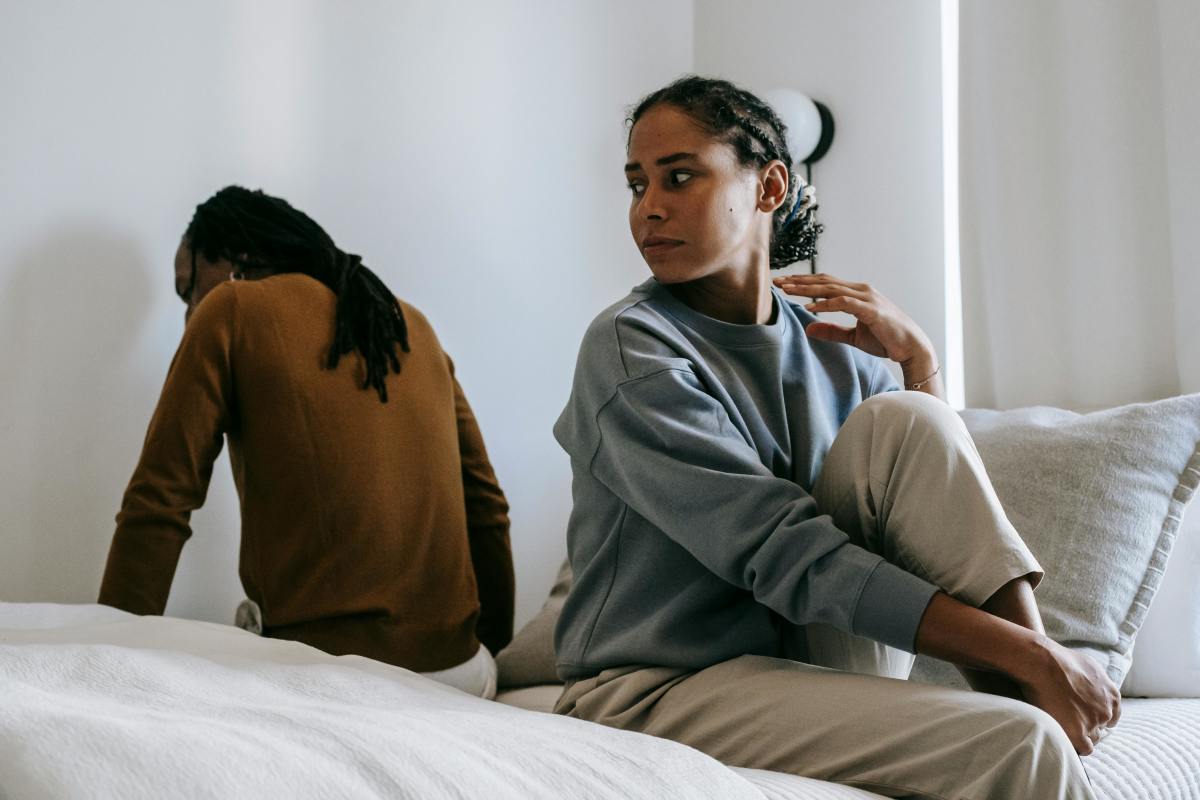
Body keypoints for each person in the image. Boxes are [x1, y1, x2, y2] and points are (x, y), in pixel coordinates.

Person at [550, 76, 1119, 798]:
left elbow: (931, 521)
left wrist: (921, 367)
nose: (649, 208)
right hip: (657, 686)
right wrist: (1037, 655)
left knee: (907, 418)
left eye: (680, 176)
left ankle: (1037, 687)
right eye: (637, 185)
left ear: (769, 187)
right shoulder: (632, 349)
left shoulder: (834, 344)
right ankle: (1038, 691)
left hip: (810, 657)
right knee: (1022, 745)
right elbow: (783, 552)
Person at [99, 186, 513, 698]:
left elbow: (158, 504)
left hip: (332, 681)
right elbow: (487, 509)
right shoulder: (411, 325)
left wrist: (103, 660)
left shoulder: (229, 309)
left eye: (189, 290)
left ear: (233, 261)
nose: (189, 313)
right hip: (463, 677)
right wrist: (493, 661)